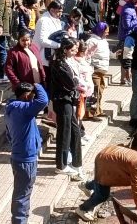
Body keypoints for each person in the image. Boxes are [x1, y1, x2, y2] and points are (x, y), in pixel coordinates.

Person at [74, 145, 137, 224]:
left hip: (112, 155)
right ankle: (82, 209)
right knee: (103, 194)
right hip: (105, 160)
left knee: (101, 180)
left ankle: (86, 186)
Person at [7, 82, 48, 224]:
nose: (33, 98)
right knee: (23, 195)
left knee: (22, 192)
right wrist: (37, 84)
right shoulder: (23, 109)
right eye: (32, 96)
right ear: (25, 96)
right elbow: (43, 100)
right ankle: (19, 221)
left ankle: (21, 220)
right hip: (26, 159)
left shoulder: (13, 108)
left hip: (18, 156)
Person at [49, 39, 83, 179]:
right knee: (64, 131)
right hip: (62, 100)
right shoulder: (59, 63)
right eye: (73, 49)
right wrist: (76, 80)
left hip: (69, 99)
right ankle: (61, 165)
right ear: (65, 49)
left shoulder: (69, 62)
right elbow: (71, 82)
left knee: (75, 130)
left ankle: (76, 162)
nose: (75, 52)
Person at [85, 23, 110, 118]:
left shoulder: (103, 41)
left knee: (100, 90)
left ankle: (98, 110)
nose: (107, 34)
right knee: (95, 92)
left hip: (102, 70)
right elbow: (87, 56)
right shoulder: (92, 41)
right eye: (105, 32)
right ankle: (91, 113)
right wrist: (90, 68)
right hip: (95, 70)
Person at [32, 0, 64, 65]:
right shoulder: (44, 21)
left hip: (52, 56)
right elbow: (43, 41)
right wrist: (59, 46)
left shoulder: (56, 19)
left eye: (61, 12)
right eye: (59, 12)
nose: (61, 14)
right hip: (42, 56)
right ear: (52, 10)